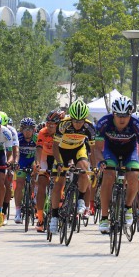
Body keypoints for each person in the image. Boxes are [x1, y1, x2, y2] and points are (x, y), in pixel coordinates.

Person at [94, 96, 139, 233]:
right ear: (113, 114)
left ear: (130, 115)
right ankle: (104, 218)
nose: (122, 119)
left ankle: (128, 207)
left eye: (125, 116)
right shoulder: (104, 122)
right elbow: (97, 148)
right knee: (108, 175)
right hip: (110, 151)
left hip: (129, 152)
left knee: (134, 175)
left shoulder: (136, 124)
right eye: (118, 115)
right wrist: (101, 161)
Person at [49, 100, 97, 235]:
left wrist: (94, 167)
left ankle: (81, 198)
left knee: (84, 170)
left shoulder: (89, 127)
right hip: (62, 151)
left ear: (85, 119)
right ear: (71, 118)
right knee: (58, 184)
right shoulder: (63, 124)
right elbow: (55, 147)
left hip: (78, 149)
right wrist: (59, 163)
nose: (77, 124)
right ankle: (54, 217)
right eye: (75, 121)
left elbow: (92, 150)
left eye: (80, 121)